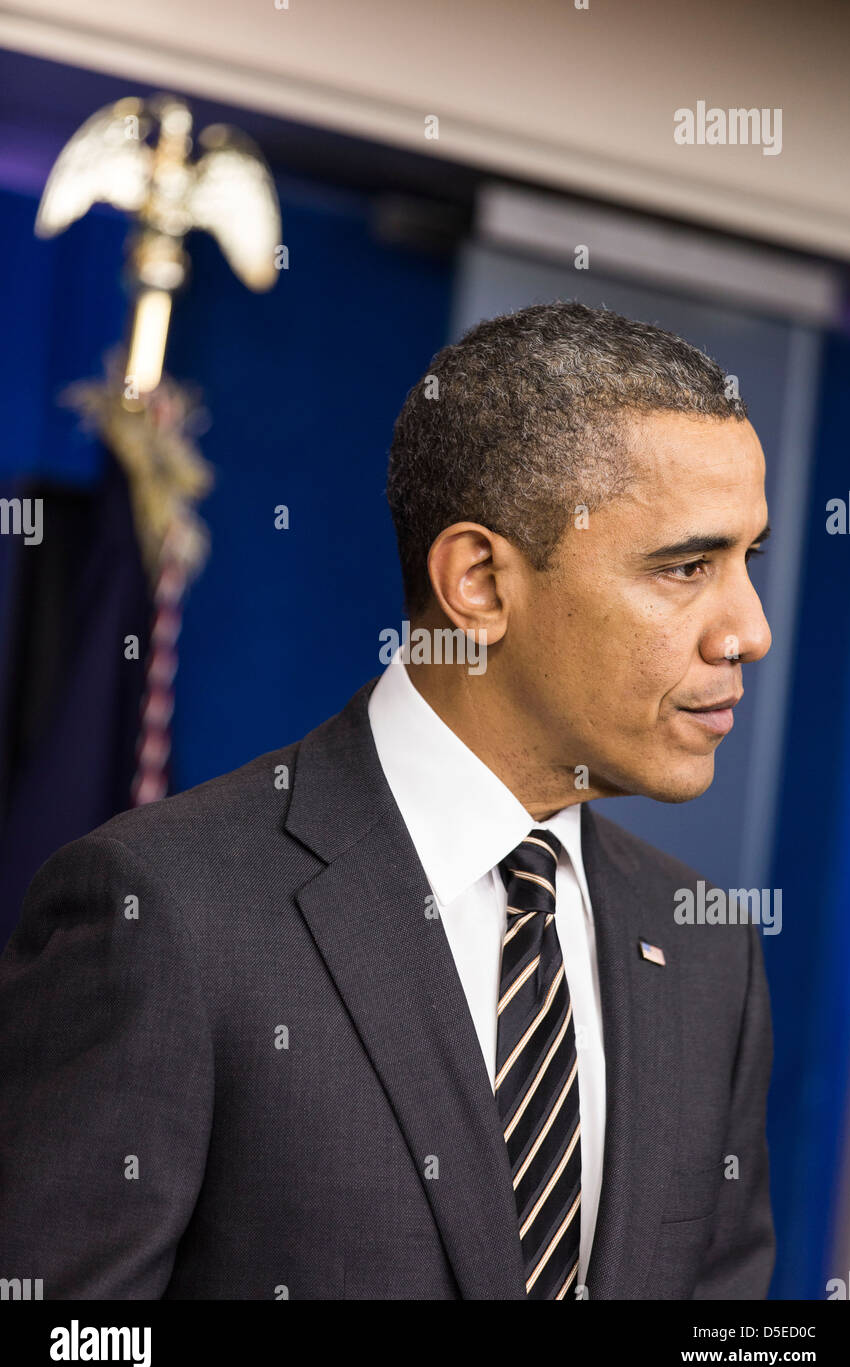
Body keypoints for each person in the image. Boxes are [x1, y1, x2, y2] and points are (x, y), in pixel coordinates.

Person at [0, 300, 775, 1300]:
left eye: (746, 562)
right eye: (685, 567)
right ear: (480, 583)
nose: (746, 630)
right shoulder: (165, 911)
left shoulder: (706, 952)